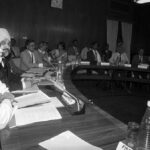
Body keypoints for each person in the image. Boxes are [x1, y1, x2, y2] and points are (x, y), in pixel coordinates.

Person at [0, 28, 15, 130]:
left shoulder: (4, 60)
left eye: (9, 43)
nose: (7, 46)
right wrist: (6, 98)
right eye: (2, 42)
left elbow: (7, 82)